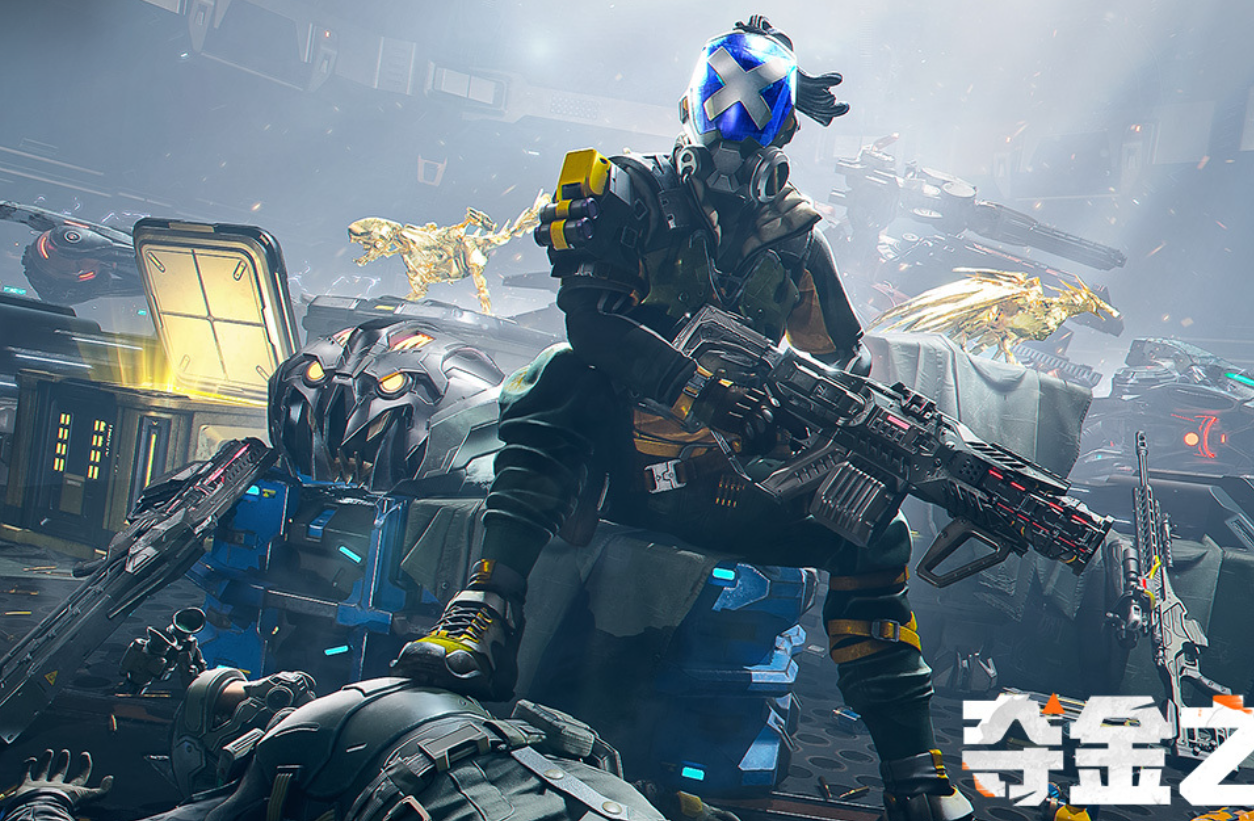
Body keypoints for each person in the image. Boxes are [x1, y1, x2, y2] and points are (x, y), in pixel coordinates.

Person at [394, 16, 973, 821]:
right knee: (562, 374)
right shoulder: (624, 192)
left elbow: (842, 360)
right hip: (614, 467)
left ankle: (913, 773)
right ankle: (485, 613)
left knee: (872, 529)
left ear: (782, 135)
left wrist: (832, 424)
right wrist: (700, 391)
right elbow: (591, 324)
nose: (731, 162)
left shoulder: (792, 238)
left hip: (721, 479)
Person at [0, 671, 702, 821]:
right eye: (234, 701)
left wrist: (40, 806)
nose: (270, 687)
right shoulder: (287, 757)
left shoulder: (295, 754)